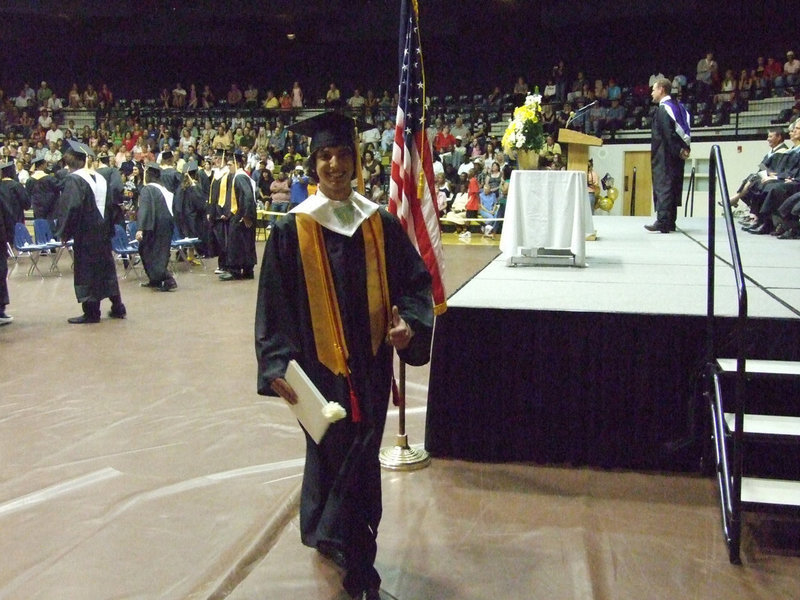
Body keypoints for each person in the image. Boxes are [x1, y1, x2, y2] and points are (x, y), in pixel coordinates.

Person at [254, 112, 434, 600]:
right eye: (325, 156)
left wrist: (408, 325)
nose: (334, 165)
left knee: (354, 459)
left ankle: (338, 542)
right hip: (317, 376)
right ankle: (357, 563)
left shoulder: (379, 223)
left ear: (357, 160)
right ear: (314, 163)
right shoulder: (293, 231)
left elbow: (416, 286)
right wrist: (275, 365)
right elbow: (274, 305)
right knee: (338, 455)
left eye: (342, 155)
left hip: (371, 368)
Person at [55, 140, 126, 323]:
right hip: (103, 233)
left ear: (70, 162)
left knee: (87, 270)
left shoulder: (75, 179)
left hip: (85, 234)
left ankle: (92, 312)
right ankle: (117, 306)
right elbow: (111, 207)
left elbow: (72, 207)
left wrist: (64, 231)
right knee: (106, 268)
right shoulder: (101, 178)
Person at [645, 78, 690, 233]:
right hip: (676, 154)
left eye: (653, 89)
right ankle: (670, 221)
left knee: (663, 185)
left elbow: (668, 134)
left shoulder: (664, 109)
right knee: (673, 185)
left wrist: (676, 150)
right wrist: (683, 149)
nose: (651, 92)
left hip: (665, 154)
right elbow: (683, 130)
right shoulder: (680, 107)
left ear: (662, 90)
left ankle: (663, 221)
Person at [135, 163, 177, 291]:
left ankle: (168, 280)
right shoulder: (164, 189)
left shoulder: (148, 189)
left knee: (151, 252)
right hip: (166, 224)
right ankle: (155, 280)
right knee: (160, 252)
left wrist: (140, 228)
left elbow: (145, 209)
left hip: (154, 225)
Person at [219, 150, 257, 280]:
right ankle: (248, 270)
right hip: (244, 213)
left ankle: (234, 270)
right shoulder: (244, 176)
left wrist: (246, 215)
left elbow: (247, 196)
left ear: (238, 164)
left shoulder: (240, 177)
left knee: (236, 242)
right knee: (246, 243)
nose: (228, 167)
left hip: (242, 215)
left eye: (230, 164)